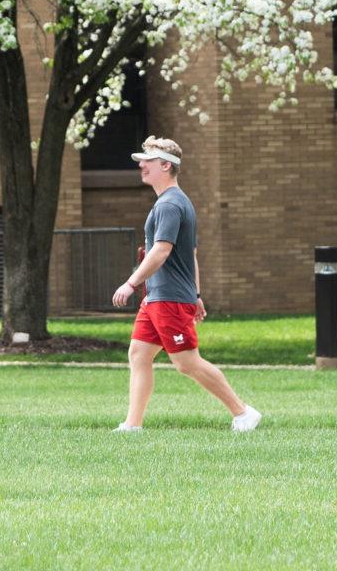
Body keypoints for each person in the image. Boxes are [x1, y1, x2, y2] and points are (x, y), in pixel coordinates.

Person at [111, 138, 259, 434]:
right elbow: (190, 255)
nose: (141, 165)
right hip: (159, 296)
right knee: (139, 354)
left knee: (186, 362)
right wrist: (197, 294)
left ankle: (243, 413)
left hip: (168, 297)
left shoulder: (169, 204)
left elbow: (162, 251)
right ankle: (132, 425)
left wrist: (131, 283)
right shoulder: (177, 202)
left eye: (147, 161)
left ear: (165, 165)